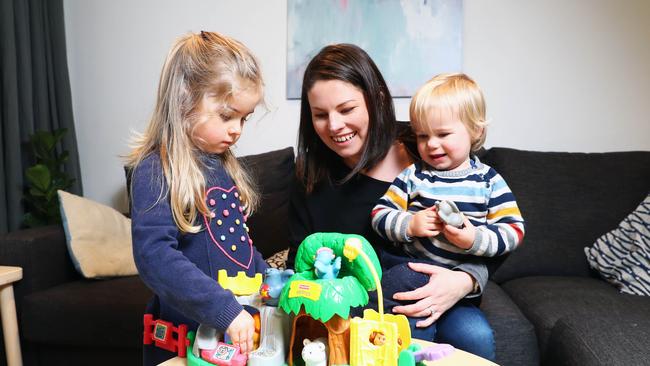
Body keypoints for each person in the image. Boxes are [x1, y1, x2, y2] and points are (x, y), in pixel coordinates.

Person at [286, 44, 494, 359]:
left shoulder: (424, 145)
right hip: (365, 307)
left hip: (443, 295)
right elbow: (299, 260)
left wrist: (464, 281)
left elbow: (489, 225)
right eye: (320, 115)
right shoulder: (311, 176)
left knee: (474, 336)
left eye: (346, 109)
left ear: (377, 98)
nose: (334, 126)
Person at [126, 31, 268, 365]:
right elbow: (154, 256)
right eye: (226, 115)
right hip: (184, 342)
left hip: (229, 336)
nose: (237, 130)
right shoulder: (155, 169)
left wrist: (273, 280)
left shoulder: (222, 165)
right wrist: (223, 309)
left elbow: (237, 248)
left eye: (243, 119)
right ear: (184, 100)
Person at [371, 73, 526, 360]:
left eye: (443, 135)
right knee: (413, 337)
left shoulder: (489, 182)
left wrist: (473, 239)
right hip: (412, 280)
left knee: (477, 337)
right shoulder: (413, 176)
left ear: (475, 131)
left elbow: (514, 230)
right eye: (423, 136)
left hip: (459, 294)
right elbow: (379, 214)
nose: (431, 144)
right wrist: (410, 224)